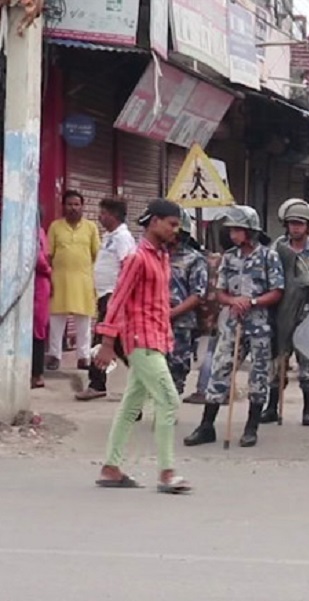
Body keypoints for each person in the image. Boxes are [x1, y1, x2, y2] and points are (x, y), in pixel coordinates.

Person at [92, 199, 191, 494]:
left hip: (155, 340)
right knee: (169, 400)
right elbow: (117, 300)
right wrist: (107, 341)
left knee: (131, 404)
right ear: (155, 222)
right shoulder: (137, 258)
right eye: (172, 224)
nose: (175, 231)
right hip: (140, 341)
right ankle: (166, 472)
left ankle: (111, 467)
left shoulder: (161, 257)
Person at [184, 206, 284, 449]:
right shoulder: (228, 257)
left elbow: (277, 292)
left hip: (259, 325)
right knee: (219, 370)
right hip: (232, 323)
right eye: (231, 230)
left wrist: (251, 302)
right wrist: (233, 301)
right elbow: (219, 292)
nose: (232, 234)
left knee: (258, 376)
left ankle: (251, 428)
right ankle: (207, 426)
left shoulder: (268, 257)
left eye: (237, 230)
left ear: (250, 231)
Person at [261, 198, 309, 426]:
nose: (295, 228)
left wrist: (306, 288)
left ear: (308, 226)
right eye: (292, 223)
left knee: (306, 365)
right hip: (281, 313)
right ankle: (271, 406)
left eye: (300, 224)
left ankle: (308, 409)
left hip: (306, 315)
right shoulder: (276, 248)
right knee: (278, 361)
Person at [75, 197, 137, 400]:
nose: (100, 217)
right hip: (105, 295)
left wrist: (120, 296)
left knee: (104, 339)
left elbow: (127, 266)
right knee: (114, 343)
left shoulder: (122, 238)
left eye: (102, 213)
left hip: (113, 296)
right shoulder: (109, 236)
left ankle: (98, 382)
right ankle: (142, 375)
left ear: (113, 215)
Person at [47, 189, 101, 371]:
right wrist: (49, 278)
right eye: (70, 204)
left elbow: (97, 255)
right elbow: (48, 255)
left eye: (77, 205)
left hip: (83, 281)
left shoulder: (91, 228)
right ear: (64, 206)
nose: (73, 208)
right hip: (59, 280)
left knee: (83, 321)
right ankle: (54, 356)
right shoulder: (55, 227)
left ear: (82, 207)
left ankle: (83, 357)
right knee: (56, 320)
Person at [167, 211, 209, 395]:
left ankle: (167, 410)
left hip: (181, 323)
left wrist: (172, 313)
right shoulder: (155, 255)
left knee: (177, 369)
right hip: (152, 322)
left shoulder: (194, 259)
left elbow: (198, 294)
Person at [32, 226, 51, 389]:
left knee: (37, 330)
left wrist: (48, 270)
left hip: (37, 284)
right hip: (38, 284)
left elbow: (39, 258)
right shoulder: (40, 231)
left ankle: (36, 374)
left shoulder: (35, 231)